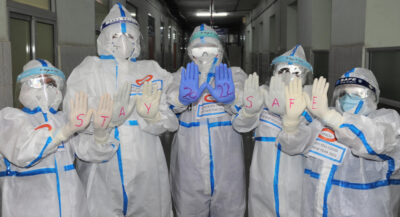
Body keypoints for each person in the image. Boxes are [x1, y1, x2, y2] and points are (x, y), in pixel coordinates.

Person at [63, 3, 178, 217]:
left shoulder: (150, 70)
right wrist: (102, 124)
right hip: (102, 170)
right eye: (115, 36)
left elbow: (173, 112)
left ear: (139, 41)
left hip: (147, 166)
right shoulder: (88, 71)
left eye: (130, 37)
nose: (124, 42)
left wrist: (154, 117)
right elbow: (74, 121)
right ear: (104, 39)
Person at [0, 59, 117, 217]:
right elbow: (23, 152)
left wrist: (101, 133)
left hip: (73, 207)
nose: (47, 88)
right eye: (41, 82)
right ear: (25, 85)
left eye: (52, 84)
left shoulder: (63, 119)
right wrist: (64, 131)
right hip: (27, 208)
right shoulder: (10, 118)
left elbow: (88, 152)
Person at [279, 68, 400, 217]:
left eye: (356, 94)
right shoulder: (324, 122)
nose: (347, 99)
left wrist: (330, 118)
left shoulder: (387, 122)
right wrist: (291, 123)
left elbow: (374, 143)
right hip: (314, 210)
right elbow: (291, 146)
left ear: (372, 97)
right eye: (343, 94)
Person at [167, 23, 247, 217]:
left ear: (220, 51)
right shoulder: (180, 77)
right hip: (189, 169)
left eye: (211, 49)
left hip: (228, 168)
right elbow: (167, 108)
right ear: (190, 53)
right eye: (199, 49)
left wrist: (232, 100)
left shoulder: (234, 75)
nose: (205, 55)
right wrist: (181, 100)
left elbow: (247, 115)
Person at [232, 45, 314, 217]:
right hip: (262, 181)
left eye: (295, 72)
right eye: (283, 69)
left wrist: (287, 114)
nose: (288, 75)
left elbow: (305, 142)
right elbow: (241, 126)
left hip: (296, 183)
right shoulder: (262, 93)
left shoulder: (312, 102)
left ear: (305, 76)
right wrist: (249, 111)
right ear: (274, 72)